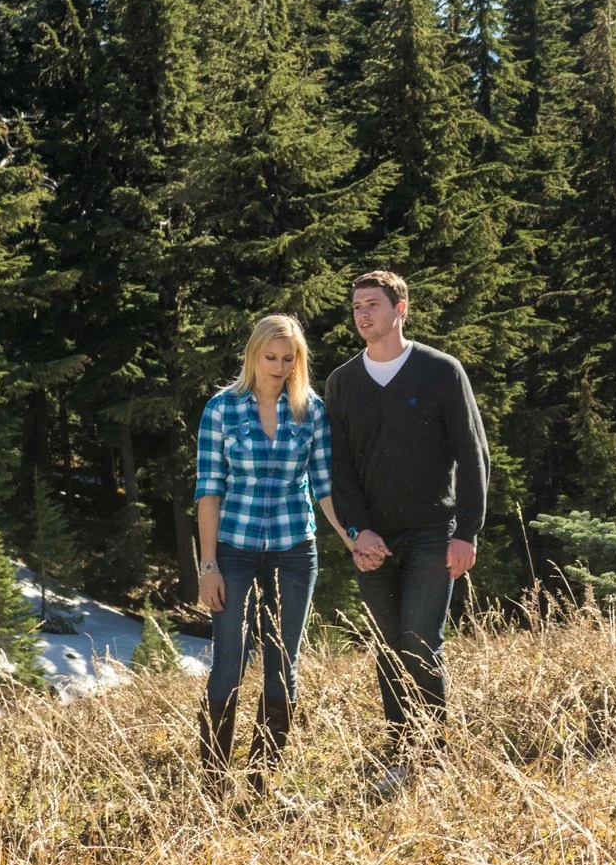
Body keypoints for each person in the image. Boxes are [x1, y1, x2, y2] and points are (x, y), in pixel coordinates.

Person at [324, 270, 490, 763]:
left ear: (401, 309)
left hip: (433, 533)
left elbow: (473, 452)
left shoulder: (440, 370)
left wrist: (467, 531)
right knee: (388, 645)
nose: (362, 314)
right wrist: (357, 531)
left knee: (420, 640)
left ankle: (434, 757)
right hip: (372, 538)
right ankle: (400, 754)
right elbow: (338, 467)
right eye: (356, 306)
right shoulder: (342, 383)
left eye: (372, 304)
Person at [193, 312, 350, 790]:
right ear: (252, 355)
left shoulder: (311, 410)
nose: (279, 367)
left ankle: (262, 781)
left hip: (294, 548)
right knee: (229, 664)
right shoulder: (222, 409)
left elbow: (325, 487)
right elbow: (208, 490)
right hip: (234, 550)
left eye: (288, 358)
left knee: (283, 662)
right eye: (270, 357)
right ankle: (213, 783)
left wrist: (352, 538)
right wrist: (209, 565)